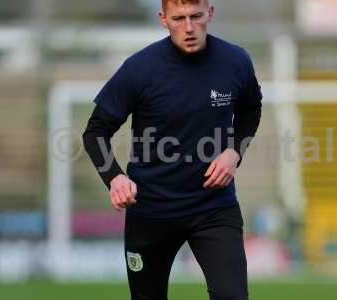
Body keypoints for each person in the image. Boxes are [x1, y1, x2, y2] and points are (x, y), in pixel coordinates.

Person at [82, 0, 262, 299]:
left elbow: (250, 110)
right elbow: (95, 132)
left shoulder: (236, 60)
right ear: (163, 19)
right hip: (151, 210)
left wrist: (234, 151)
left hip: (213, 208)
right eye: (178, 18)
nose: (189, 27)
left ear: (211, 14)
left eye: (196, 16)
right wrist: (114, 177)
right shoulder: (139, 68)